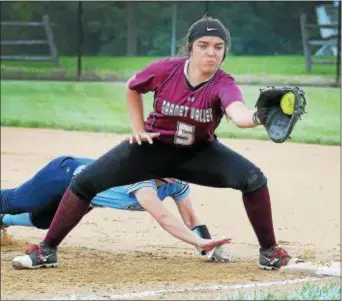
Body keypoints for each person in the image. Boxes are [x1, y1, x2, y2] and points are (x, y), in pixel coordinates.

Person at [13, 15, 301, 271]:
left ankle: (270, 252)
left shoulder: (223, 83)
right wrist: (137, 128)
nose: (211, 52)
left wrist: (260, 116)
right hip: (152, 148)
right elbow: (132, 87)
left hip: (198, 153)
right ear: (191, 47)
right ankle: (47, 249)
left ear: (224, 51)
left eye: (218, 46)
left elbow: (238, 115)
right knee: (85, 182)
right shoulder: (167, 70)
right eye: (203, 45)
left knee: (253, 179)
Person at [2, 156, 230, 268]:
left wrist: (207, 247)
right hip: (65, 174)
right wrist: (198, 242)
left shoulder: (176, 183)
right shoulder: (142, 179)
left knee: (44, 221)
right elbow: (162, 216)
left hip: (84, 197)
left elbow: (190, 218)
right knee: (17, 201)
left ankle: (3, 220)